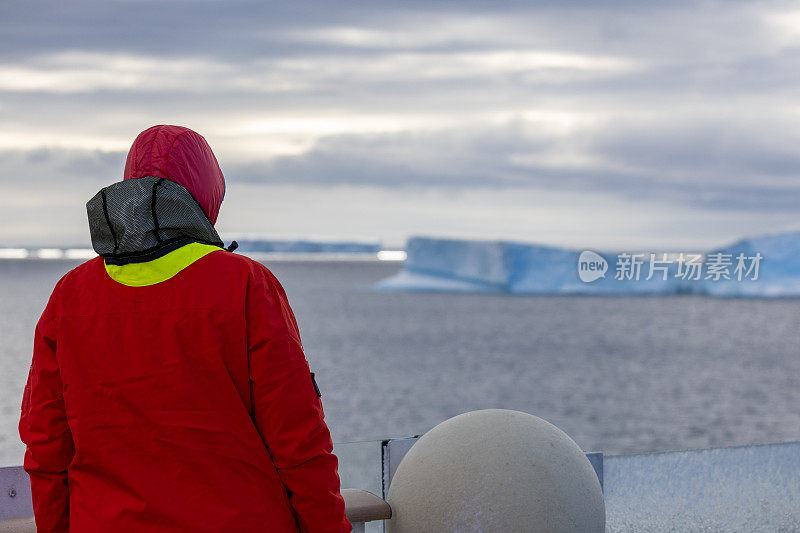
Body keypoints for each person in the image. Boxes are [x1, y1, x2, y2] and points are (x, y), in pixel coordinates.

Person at [19, 125, 352, 532]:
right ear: (207, 193)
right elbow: (299, 438)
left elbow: (46, 445)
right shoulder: (245, 284)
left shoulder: (70, 295)